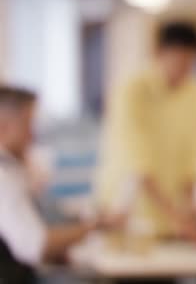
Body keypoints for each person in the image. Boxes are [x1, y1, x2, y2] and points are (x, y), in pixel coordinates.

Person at [95, 22, 196, 242]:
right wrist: (177, 217)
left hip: (173, 210)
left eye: (191, 63)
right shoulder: (132, 90)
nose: (184, 71)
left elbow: (193, 155)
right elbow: (139, 162)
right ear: (159, 53)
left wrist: (191, 207)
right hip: (130, 208)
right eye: (180, 61)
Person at [0, 87, 120, 284]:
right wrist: (93, 227)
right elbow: (36, 246)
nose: (33, 135)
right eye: (28, 124)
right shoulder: (4, 179)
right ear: (3, 126)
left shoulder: (14, 170)